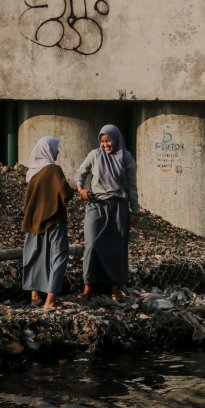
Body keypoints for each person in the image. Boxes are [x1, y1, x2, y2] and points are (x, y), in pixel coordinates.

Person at [74, 124, 140, 302]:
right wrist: (81, 189)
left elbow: (132, 187)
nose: (105, 145)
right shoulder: (95, 155)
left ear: (116, 139)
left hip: (119, 207)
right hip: (96, 205)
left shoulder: (126, 158)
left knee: (117, 248)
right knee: (92, 245)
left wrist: (135, 211)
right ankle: (88, 287)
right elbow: (80, 172)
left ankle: (114, 288)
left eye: (108, 140)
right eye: (103, 141)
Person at [21, 136, 75, 311]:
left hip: (34, 222)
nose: (57, 152)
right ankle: (50, 300)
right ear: (49, 150)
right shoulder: (54, 169)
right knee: (58, 257)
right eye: (56, 149)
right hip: (55, 220)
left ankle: (35, 296)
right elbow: (65, 194)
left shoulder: (32, 173)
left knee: (34, 256)